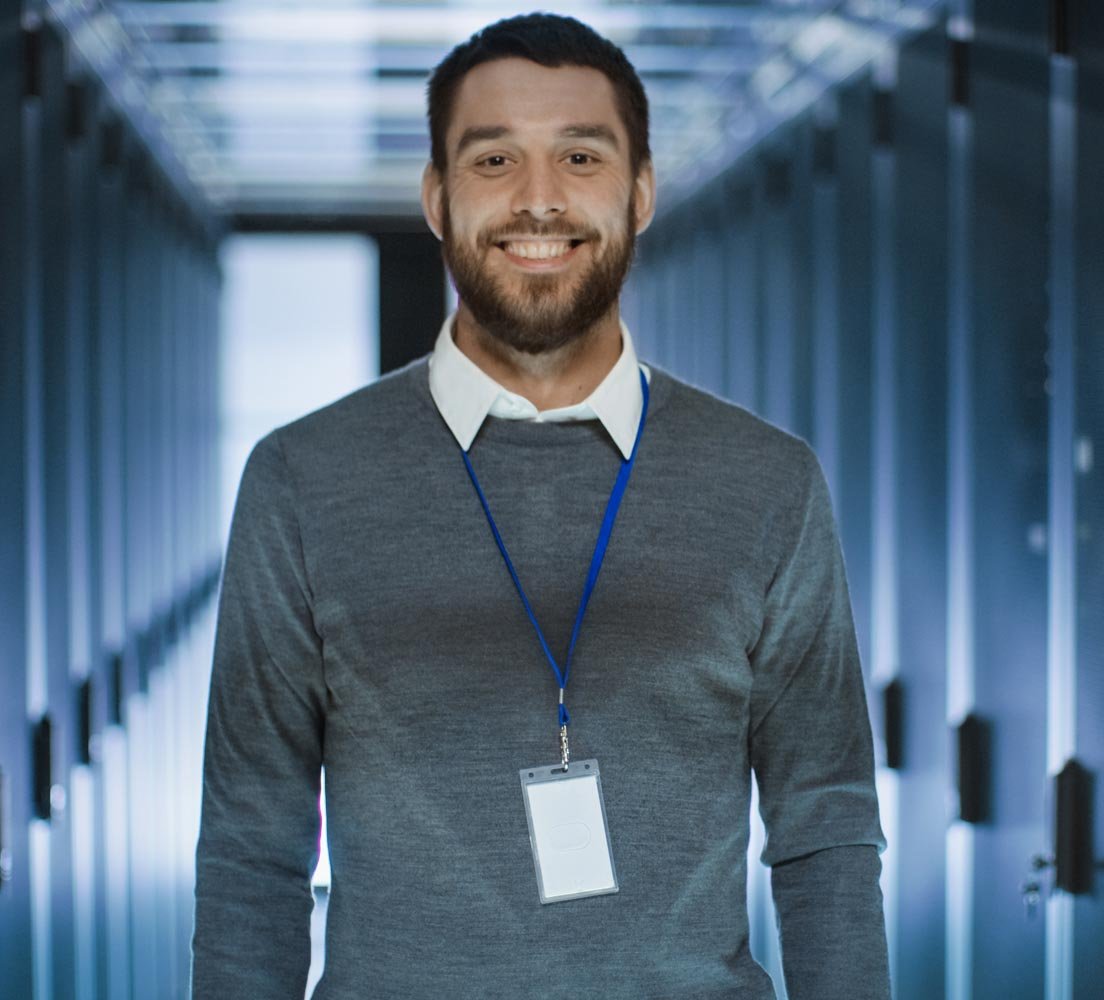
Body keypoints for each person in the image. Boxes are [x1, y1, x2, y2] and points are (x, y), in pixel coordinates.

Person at [191, 13, 888, 999]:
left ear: (639, 192)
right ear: (436, 198)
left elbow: (826, 833)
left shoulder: (768, 481)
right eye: (492, 160)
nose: (538, 199)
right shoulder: (300, 479)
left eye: (579, 154)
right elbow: (248, 855)